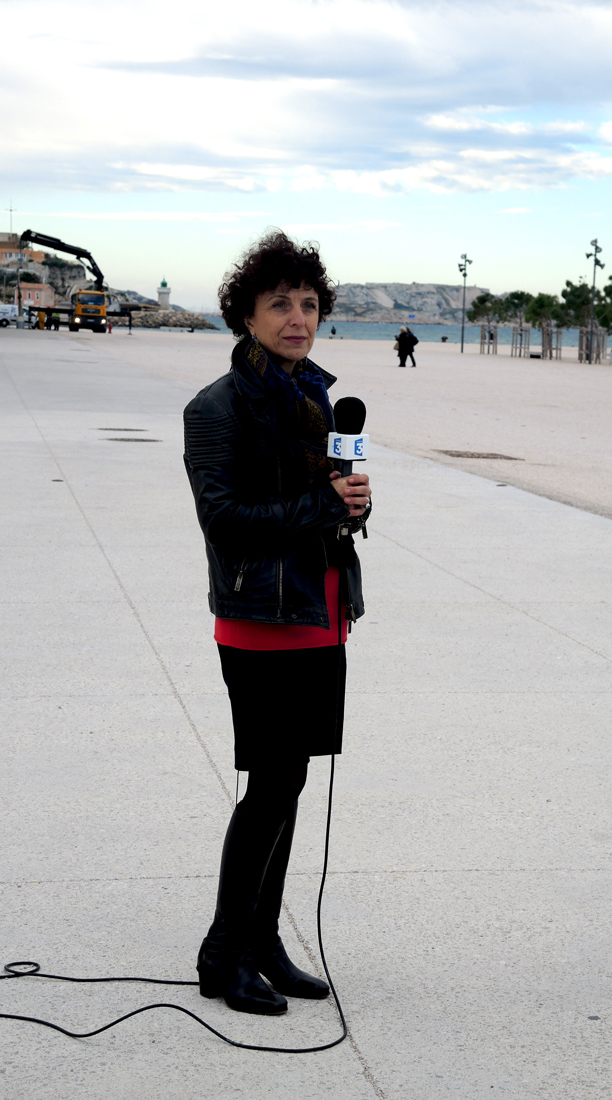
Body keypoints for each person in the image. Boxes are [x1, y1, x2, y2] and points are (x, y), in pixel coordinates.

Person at [183, 231, 371, 1016]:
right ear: (246, 316)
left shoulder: (316, 398)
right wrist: (322, 504)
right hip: (260, 617)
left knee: (290, 783)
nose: (298, 319)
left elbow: (325, 505)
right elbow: (225, 521)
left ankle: (262, 941)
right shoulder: (216, 407)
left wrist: (351, 504)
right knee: (268, 787)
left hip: (320, 609)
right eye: (280, 304)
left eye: (309, 304)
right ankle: (221, 952)